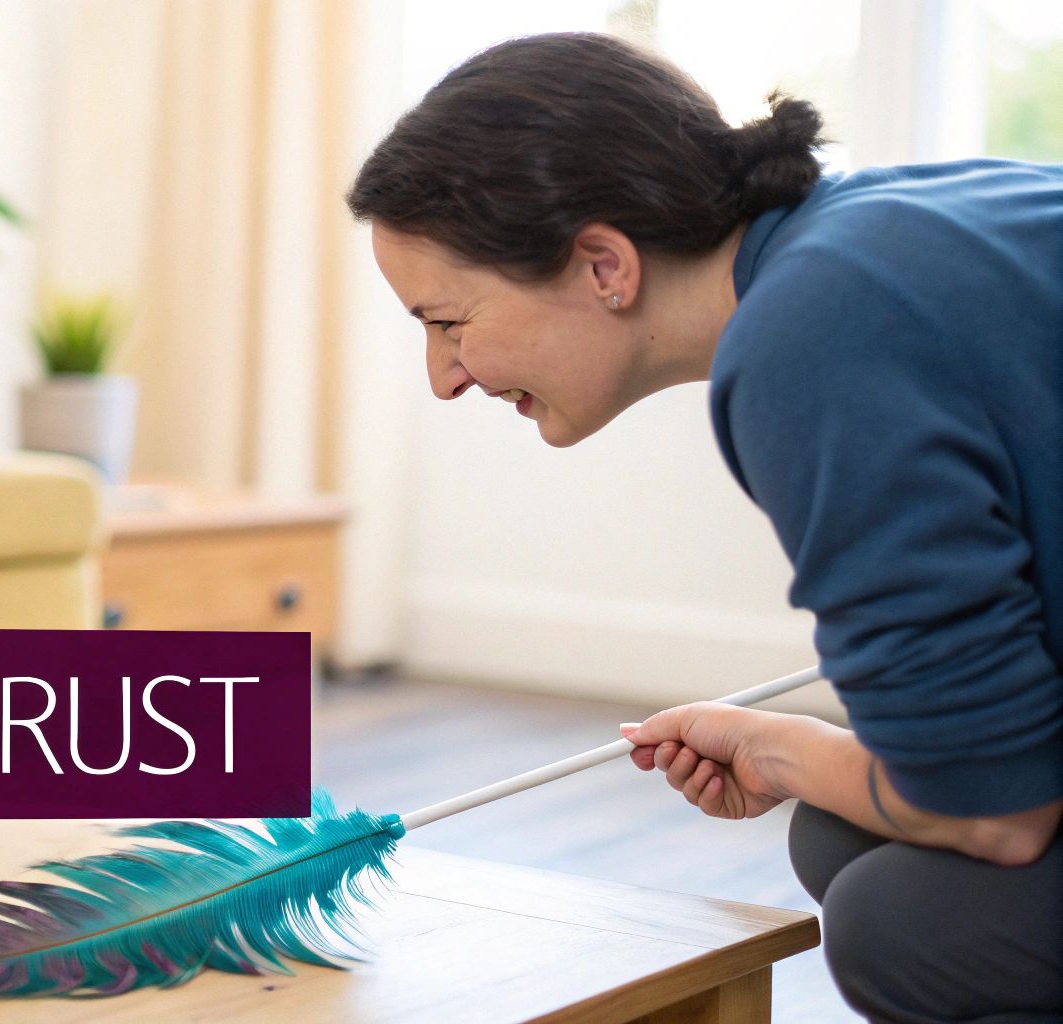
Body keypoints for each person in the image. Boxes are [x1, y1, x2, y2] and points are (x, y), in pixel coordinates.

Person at [347, 32, 1063, 1023]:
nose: (443, 377)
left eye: (447, 321)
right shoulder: (879, 228)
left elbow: (993, 812)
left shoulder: (809, 340)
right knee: (843, 832)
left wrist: (787, 755)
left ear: (603, 263)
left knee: (909, 920)